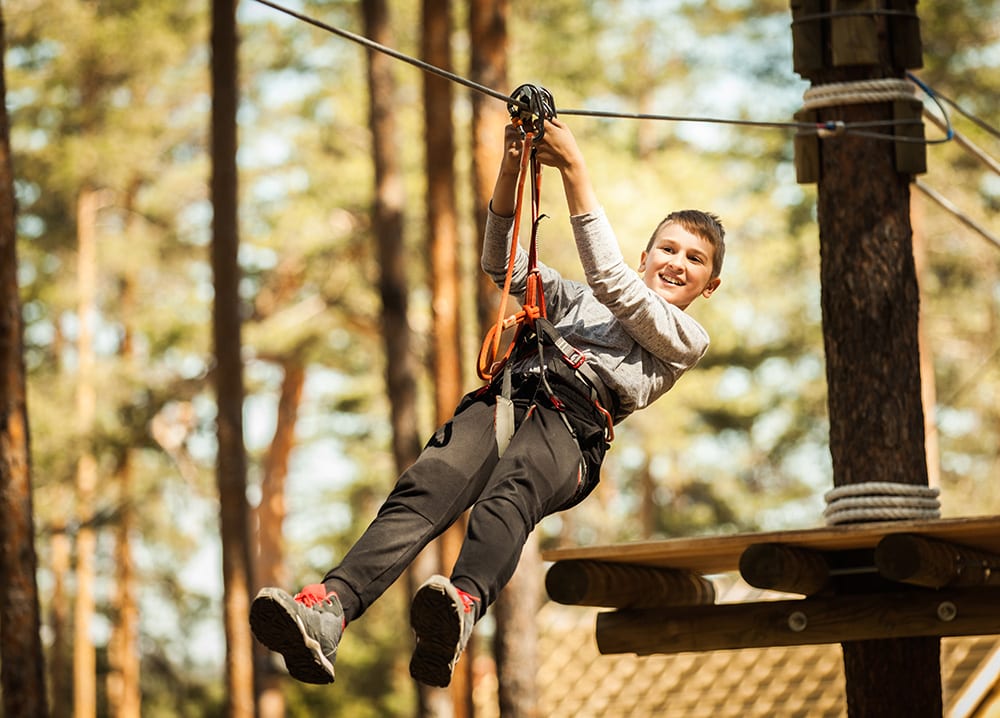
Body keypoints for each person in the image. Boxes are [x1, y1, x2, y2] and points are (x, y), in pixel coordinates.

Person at [249, 117, 725, 688]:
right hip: (508, 397)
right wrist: (512, 162)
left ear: (708, 286)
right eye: (668, 249)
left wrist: (573, 166)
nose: (677, 263)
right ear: (646, 254)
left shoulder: (682, 338)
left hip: (571, 428)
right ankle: (329, 608)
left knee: (510, 492)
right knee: (424, 488)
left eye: (694, 260)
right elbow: (502, 264)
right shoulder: (575, 298)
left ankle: (462, 605)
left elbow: (612, 281)